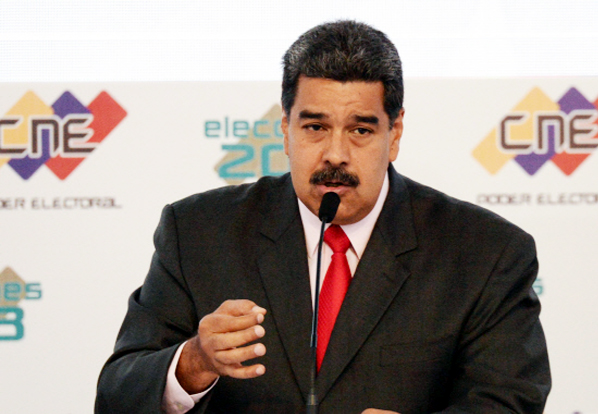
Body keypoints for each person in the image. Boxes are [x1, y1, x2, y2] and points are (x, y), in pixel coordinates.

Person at [95, 20, 551, 414]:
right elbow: (116, 396)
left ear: (394, 136)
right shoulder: (198, 232)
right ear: (286, 132)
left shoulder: (485, 253)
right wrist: (193, 362)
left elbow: (511, 400)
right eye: (315, 127)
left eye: (360, 130)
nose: (336, 154)